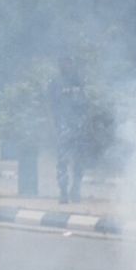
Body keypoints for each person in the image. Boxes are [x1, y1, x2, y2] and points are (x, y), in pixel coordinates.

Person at [49, 56, 89, 203]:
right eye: (63, 62)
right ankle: (63, 192)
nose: (66, 65)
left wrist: (84, 123)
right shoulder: (55, 83)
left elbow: (85, 103)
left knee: (79, 161)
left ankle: (76, 189)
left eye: (69, 62)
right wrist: (55, 126)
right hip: (63, 127)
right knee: (63, 161)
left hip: (79, 126)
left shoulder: (79, 81)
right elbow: (51, 106)